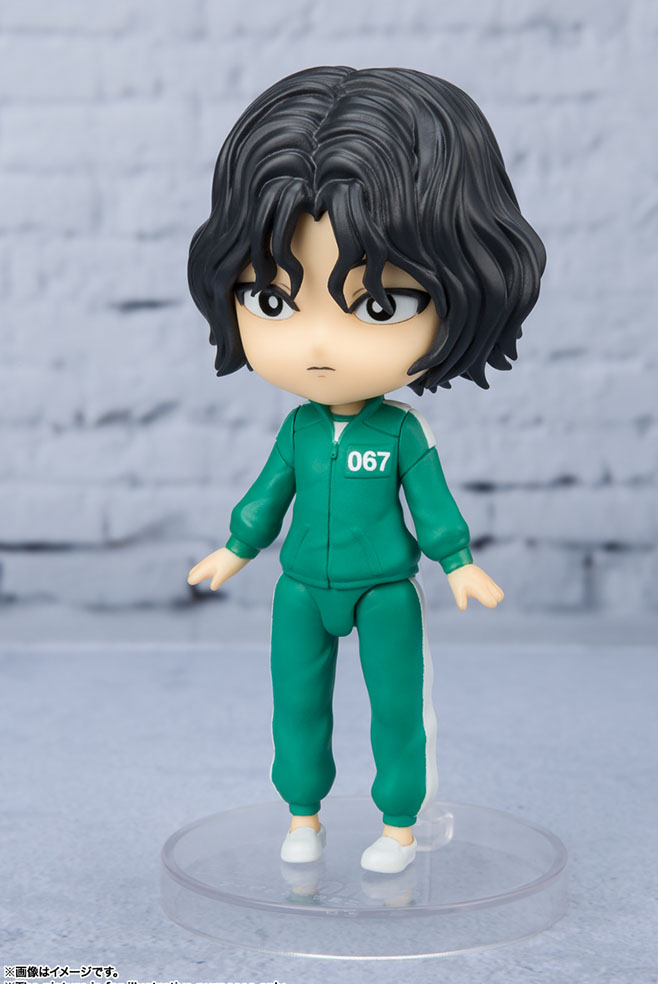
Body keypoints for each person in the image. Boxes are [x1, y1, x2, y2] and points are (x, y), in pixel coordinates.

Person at [186, 66, 545, 874]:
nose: (319, 344)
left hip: (384, 590)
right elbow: (267, 497)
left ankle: (399, 825)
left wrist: (458, 561)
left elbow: (432, 505)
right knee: (296, 706)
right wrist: (236, 549)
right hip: (300, 590)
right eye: (273, 299)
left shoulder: (403, 432)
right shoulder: (299, 431)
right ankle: (303, 815)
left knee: (396, 710)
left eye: (381, 305)